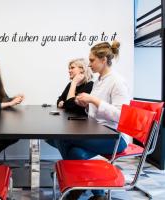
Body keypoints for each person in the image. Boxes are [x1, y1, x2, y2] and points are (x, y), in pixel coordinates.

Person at [52, 41, 130, 200]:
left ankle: (75, 186)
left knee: (62, 137)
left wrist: (94, 101)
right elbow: (96, 111)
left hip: (114, 136)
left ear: (103, 60)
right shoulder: (99, 81)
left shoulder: (117, 82)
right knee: (76, 153)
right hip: (98, 131)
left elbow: (122, 116)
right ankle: (96, 192)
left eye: (92, 60)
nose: (89, 64)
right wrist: (86, 105)